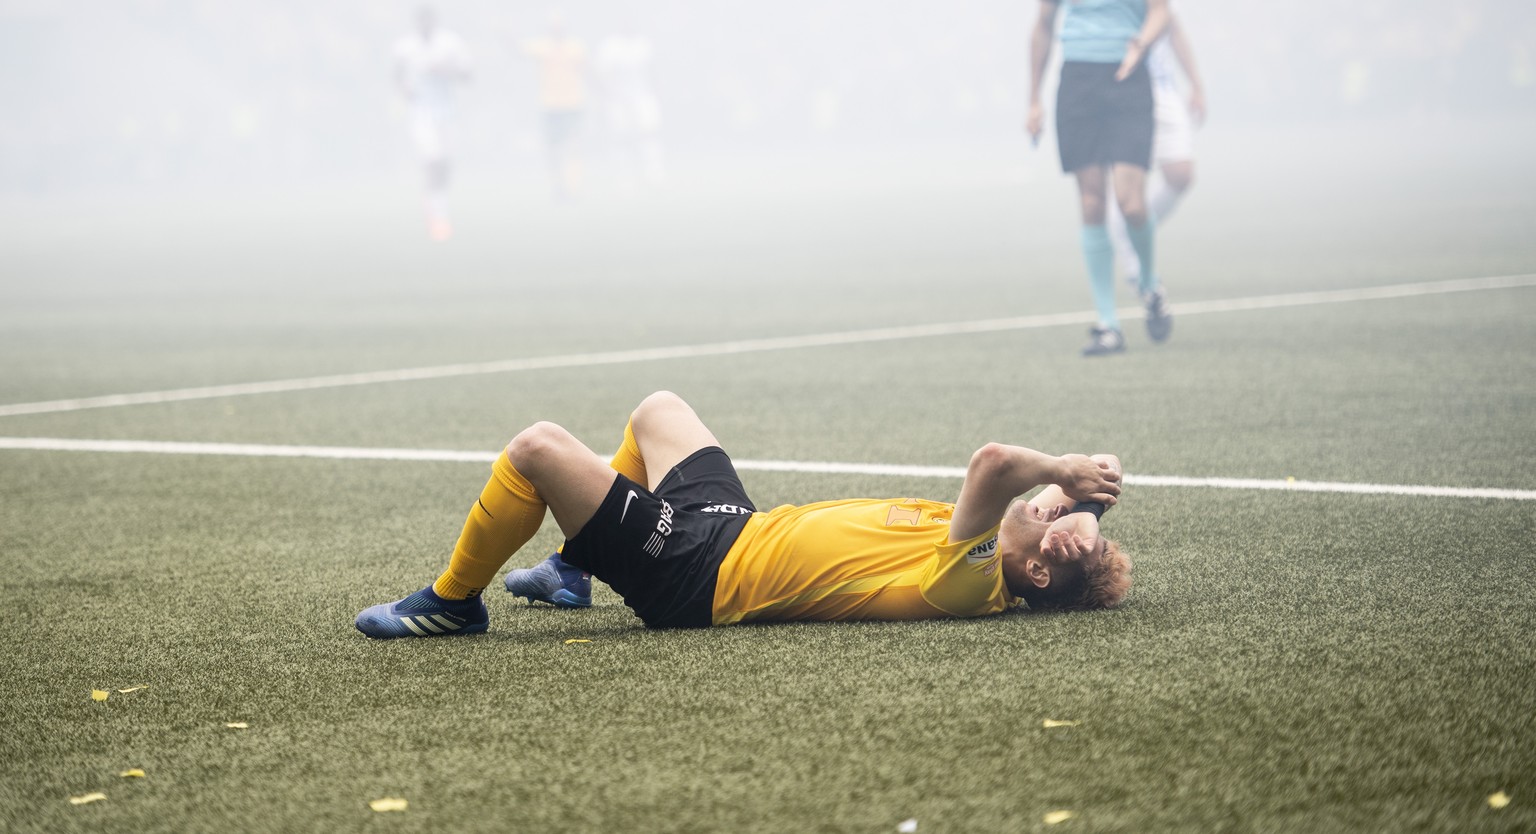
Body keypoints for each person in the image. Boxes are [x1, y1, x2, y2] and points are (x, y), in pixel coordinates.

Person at [355, 391, 1130, 637]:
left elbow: (996, 463)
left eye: (1055, 521)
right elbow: (1054, 502)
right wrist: (1089, 490)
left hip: (702, 576)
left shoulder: (969, 582)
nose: (1048, 501)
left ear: (1033, 567)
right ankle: (571, 569)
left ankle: (453, 604)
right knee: (658, 411)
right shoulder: (1010, 542)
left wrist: (1066, 472)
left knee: (537, 449)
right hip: (736, 527)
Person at [1027, 0, 1171, 357]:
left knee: (1131, 203)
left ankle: (1150, 286)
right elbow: (1043, 24)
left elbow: (1160, 11)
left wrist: (1141, 42)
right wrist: (1033, 98)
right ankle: (1109, 324)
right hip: (1078, 82)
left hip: (1128, 74)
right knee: (1091, 202)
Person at [1107, 15, 1205, 286]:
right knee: (1127, 181)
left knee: (1181, 174)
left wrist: (1195, 84)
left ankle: (1136, 231)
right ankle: (1133, 262)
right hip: (1124, 86)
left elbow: (1172, 24)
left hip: (1162, 87)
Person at [394, 7, 473, 242]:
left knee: (446, 164)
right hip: (421, 114)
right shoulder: (404, 47)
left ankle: (436, 200)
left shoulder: (450, 43)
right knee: (433, 160)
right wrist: (403, 90)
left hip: (448, 113)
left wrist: (446, 70)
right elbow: (396, 75)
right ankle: (438, 215)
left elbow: (468, 74)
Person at [523, 13, 589, 201]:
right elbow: (518, 51)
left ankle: (574, 188)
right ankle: (559, 187)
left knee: (574, 147)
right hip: (550, 105)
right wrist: (503, 33)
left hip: (573, 103)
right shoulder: (543, 46)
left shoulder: (576, 46)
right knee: (553, 150)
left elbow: (587, 70)